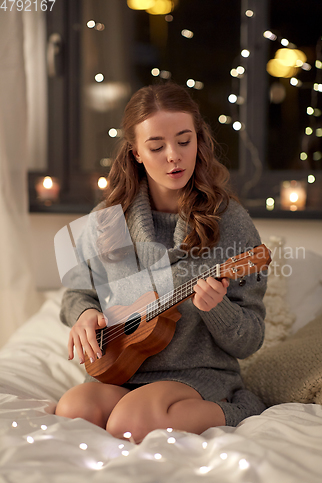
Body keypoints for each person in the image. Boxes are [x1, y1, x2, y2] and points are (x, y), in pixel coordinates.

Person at [55, 82, 267, 444]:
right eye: (157, 146)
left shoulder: (230, 222)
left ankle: (239, 408)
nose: (174, 155)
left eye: (184, 141)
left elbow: (250, 339)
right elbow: (77, 292)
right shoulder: (106, 220)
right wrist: (83, 315)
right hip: (119, 370)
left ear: (199, 141)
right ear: (136, 151)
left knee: (130, 424)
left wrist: (216, 309)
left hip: (197, 374)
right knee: (74, 412)